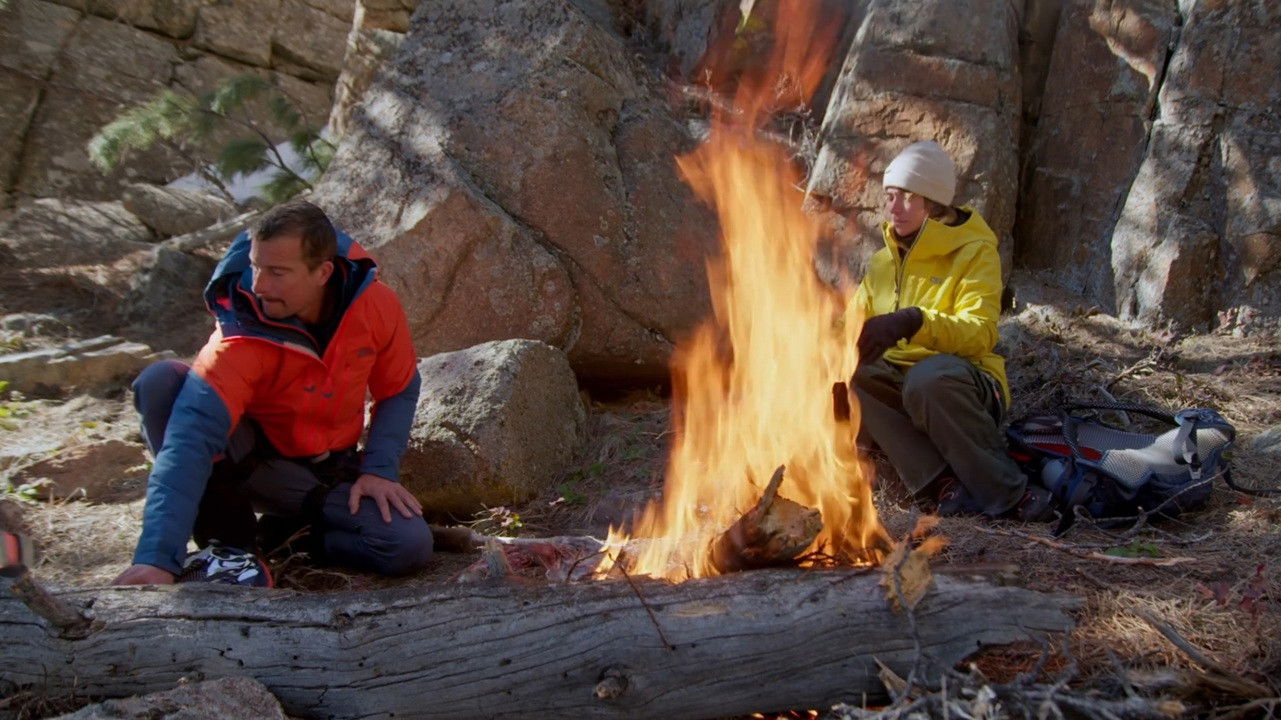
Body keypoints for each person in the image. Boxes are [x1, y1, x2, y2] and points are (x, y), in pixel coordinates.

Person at [114, 200, 433, 585]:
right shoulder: (239, 335)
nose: (260, 285)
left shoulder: (375, 305)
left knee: (406, 545)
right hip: (245, 462)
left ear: (323, 273)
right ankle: (231, 549)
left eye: (277, 272)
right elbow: (188, 442)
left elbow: (398, 388)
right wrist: (156, 559)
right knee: (161, 382)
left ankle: (281, 539)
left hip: (324, 474)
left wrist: (380, 470)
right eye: (255, 267)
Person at [848, 140, 1052, 520]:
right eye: (890, 196)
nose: (894, 208)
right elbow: (850, 325)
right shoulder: (881, 262)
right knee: (851, 372)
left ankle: (1009, 493)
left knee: (928, 379)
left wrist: (914, 322)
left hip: (963, 385)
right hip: (903, 389)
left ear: (935, 203)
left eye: (908, 197)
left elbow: (979, 334)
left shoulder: (974, 252)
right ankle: (943, 484)